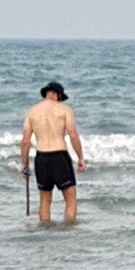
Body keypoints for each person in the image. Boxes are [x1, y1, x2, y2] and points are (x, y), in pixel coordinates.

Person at [20, 82, 86, 222]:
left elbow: (25, 140)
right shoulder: (65, 109)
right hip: (59, 157)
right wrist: (81, 158)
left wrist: (24, 164)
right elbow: (73, 134)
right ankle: (68, 231)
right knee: (70, 198)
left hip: (41, 158)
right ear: (58, 94)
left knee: (45, 199)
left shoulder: (31, 111)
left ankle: (45, 232)